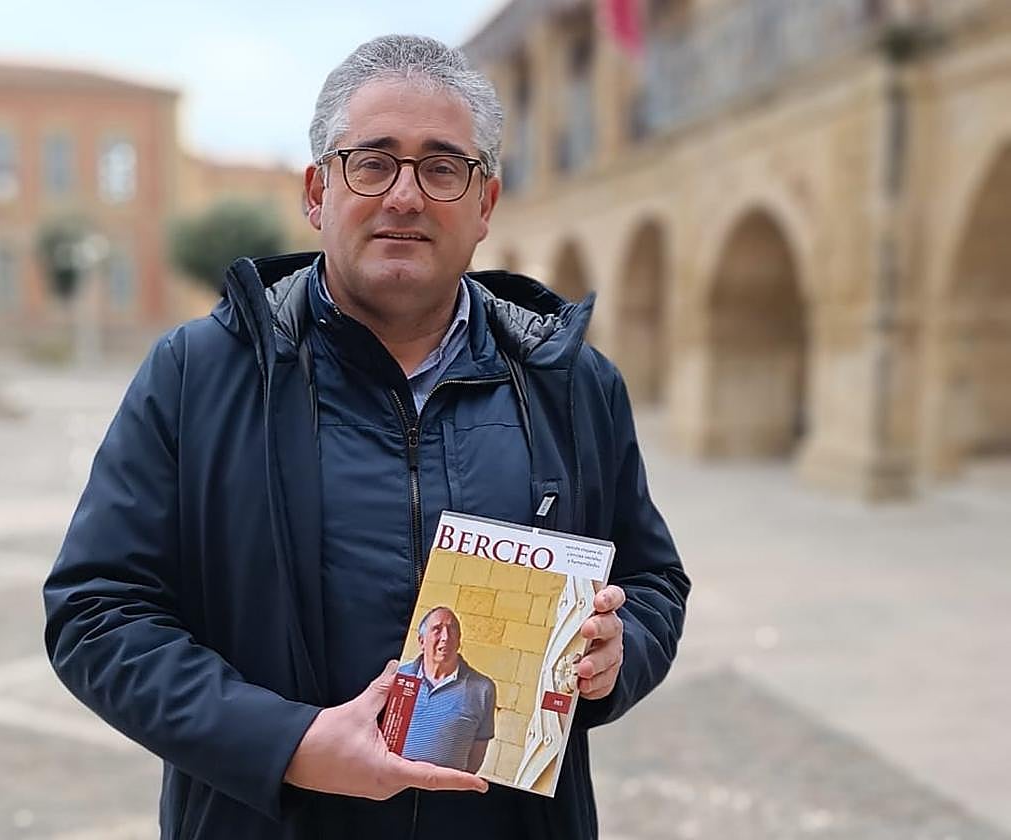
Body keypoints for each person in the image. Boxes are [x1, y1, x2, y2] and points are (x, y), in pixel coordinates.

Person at [44, 34, 689, 840]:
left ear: (485, 204)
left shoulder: (571, 383)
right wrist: (289, 745)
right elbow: (96, 614)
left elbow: (654, 580)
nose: (405, 196)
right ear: (317, 191)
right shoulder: (197, 375)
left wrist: (617, 651)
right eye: (372, 161)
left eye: (442, 167)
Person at [397, 607, 495, 773]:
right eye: (437, 629)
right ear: (421, 641)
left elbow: (478, 749)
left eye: (452, 630)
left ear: (459, 640)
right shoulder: (399, 676)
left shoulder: (483, 688)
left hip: (444, 791)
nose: (446, 637)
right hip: (391, 781)